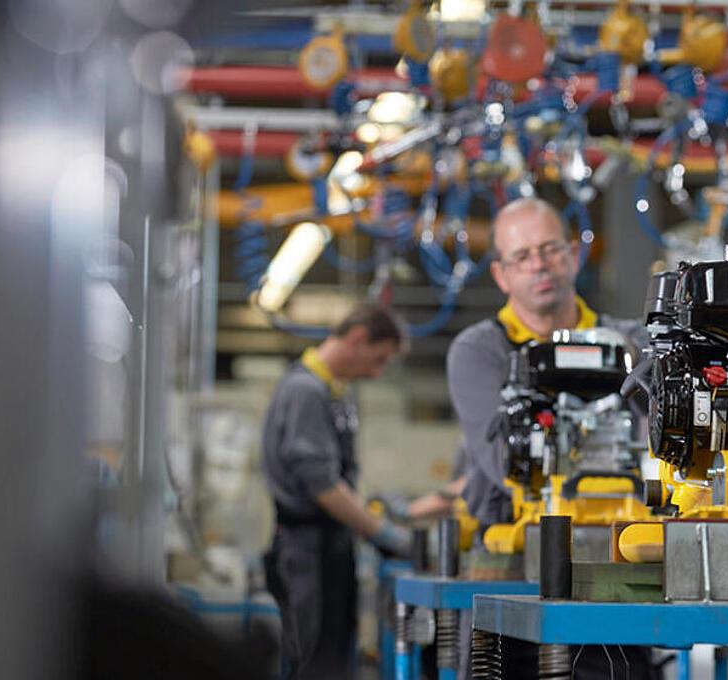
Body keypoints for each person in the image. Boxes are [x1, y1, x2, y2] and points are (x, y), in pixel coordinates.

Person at [431, 196, 656, 679]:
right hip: (511, 573)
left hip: (615, 570)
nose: (540, 265)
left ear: (574, 254)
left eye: (550, 249)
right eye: (522, 256)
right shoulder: (480, 350)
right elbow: (500, 460)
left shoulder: (627, 344)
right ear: (501, 275)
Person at [260, 304, 413, 679]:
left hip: (329, 546)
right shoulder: (305, 391)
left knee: (334, 655)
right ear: (358, 338)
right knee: (315, 661)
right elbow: (324, 487)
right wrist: (385, 534)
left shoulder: (334, 392)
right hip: (306, 551)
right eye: (378, 360)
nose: (377, 373)